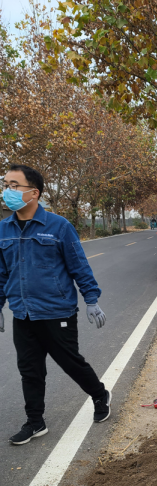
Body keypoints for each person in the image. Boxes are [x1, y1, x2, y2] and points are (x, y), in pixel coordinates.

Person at [0, 164, 111, 445]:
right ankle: (35, 422)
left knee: (69, 362)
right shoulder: (3, 229)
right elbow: (2, 273)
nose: (7, 191)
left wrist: (91, 300)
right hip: (22, 314)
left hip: (56, 311)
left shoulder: (59, 226)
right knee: (30, 370)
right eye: (6, 184)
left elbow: (79, 266)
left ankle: (99, 394)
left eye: (14, 185)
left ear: (33, 193)